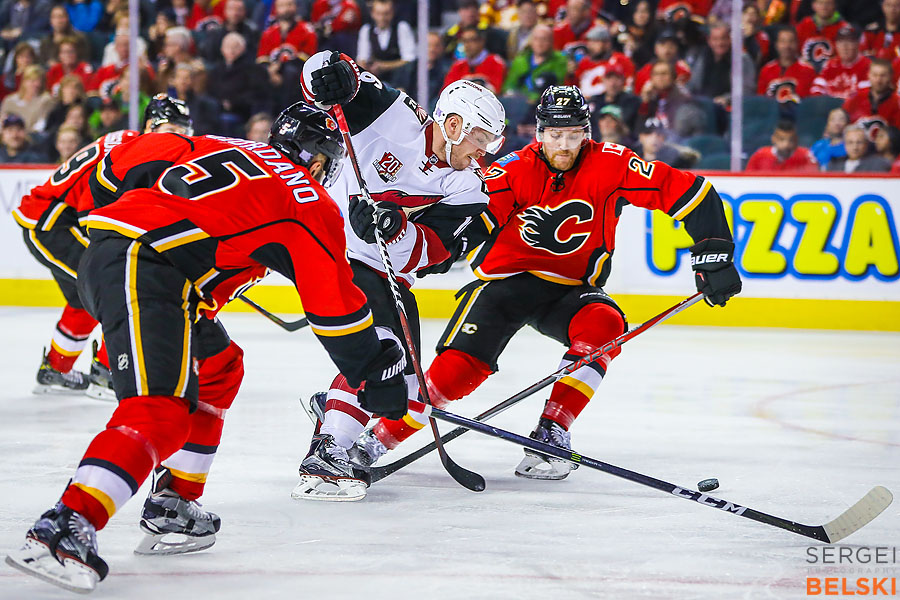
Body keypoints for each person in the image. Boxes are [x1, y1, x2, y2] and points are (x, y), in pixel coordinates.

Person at [6, 101, 409, 594]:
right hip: (149, 271)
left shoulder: (222, 143)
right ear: (322, 161)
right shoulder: (306, 198)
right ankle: (64, 528)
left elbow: (121, 163)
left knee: (221, 367)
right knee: (159, 413)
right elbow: (334, 308)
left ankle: (174, 504)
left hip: (125, 256)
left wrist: (158, 211)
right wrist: (374, 368)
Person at [351, 86, 740, 480]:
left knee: (606, 325)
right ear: (539, 133)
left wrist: (715, 253)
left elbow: (692, 191)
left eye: (573, 134)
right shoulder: (510, 171)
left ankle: (553, 430)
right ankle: (373, 440)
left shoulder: (614, 165)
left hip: (570, 290)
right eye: (555, 134)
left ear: (586, 133)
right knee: (453, 375)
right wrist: (411, 238)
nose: (564, 144)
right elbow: (464, 228)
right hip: (504, 285)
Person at [295, 50, 505, 501]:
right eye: (480, 139)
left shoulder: (468, 186)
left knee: (406, 390)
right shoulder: (391, 110)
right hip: (331, 247)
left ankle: (333, 410)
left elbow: (435, 255)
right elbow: (327, 73)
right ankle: (330, 448)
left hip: (385, 269)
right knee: (381, 349)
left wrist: (397, 228)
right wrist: (327, 77)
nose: (484, 152)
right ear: (453, 126)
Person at [10, 95, 193, 398]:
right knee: (118, 287)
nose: (179, 137)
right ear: (150, 125)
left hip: (55, 219)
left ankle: (56, 370)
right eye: (172, 128)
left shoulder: (134, 143)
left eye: (184, 130)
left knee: (87, 297)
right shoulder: (130, 149)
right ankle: (108, 372)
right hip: (53, 223)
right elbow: (93, 208)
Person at [354, 0, 416, 89]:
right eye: (379, 14)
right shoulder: (366, 30)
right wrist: (365, 66)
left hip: (398, 78)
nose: (382, 18)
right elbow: (362, 58)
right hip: (375, 77)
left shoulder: (402, 28)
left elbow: (409, 60)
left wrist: (383, 66)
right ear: (372, 14)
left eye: (386, 14)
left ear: (392, 13)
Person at [502, 23, 568, 103]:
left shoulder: (560, 60)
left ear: (551, 42)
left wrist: (534, 98)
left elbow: (558, 86)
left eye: (544, 39)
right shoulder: (520, 60)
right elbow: (509, 85)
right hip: (519, 102)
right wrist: (510, 93)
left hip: (545, 104)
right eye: (536, 39)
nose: (539, 43)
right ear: (531, 41)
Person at [757, 26, 817, 103]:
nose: (787, 46)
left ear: (797, 44)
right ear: (776, 45)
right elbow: (760, 99)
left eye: (791, 41)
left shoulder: (808, 70)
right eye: (783, 41)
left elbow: (810, 102)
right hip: (771, 113)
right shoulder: (766, 70)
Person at [575, 24, 635, 99]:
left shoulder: (621, 60)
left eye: (595, 42)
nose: (590, 46)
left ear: (607, 44)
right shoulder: (584, 63)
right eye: (589, 42)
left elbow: (628, 87)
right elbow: (575, 85)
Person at [442, 25, 507, 94]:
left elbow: (496, 90)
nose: (467, 45)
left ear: (481, 41)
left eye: (471, 40)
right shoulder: (458, 65)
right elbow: (446, 92)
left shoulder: (495, 62)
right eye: (464, 41)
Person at [811, 25, 870, 99]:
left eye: (849, 41)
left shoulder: (866, 65)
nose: (844, 46)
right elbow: (816, 88)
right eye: (841, 41)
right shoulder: (830, 64)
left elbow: (864, 97)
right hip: (828, 108)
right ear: (836, 45)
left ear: (857, 44)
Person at [842, 58, 900, 131]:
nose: (878, 80)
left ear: (890, 76)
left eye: (883, 75)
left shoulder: (897, 103)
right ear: (868, 75)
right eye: (875, 75)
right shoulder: (856, 97)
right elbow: (842, 122)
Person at [745, 119, 820, 172]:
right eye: (781, 139)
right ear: (773, 138)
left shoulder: (806, 156)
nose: (786, 144)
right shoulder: (760, 156)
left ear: (796, 140)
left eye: (791, 140)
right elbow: (748, 181)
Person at [795, 0, 848, 72]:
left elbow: (846, 58)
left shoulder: (844, 28)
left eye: (828, 3)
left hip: (832, 73)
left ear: (834, 5)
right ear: (813, 5)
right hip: (804, 72)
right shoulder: (804, 25)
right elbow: (794, 51)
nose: (824, 7)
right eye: (820, 3)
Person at [826, 125, 891, 172]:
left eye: (859, 142)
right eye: (850, 142)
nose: (855, 147)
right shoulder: (833, 164)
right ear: (845, 144)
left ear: (866, 144)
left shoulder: (879, 164)